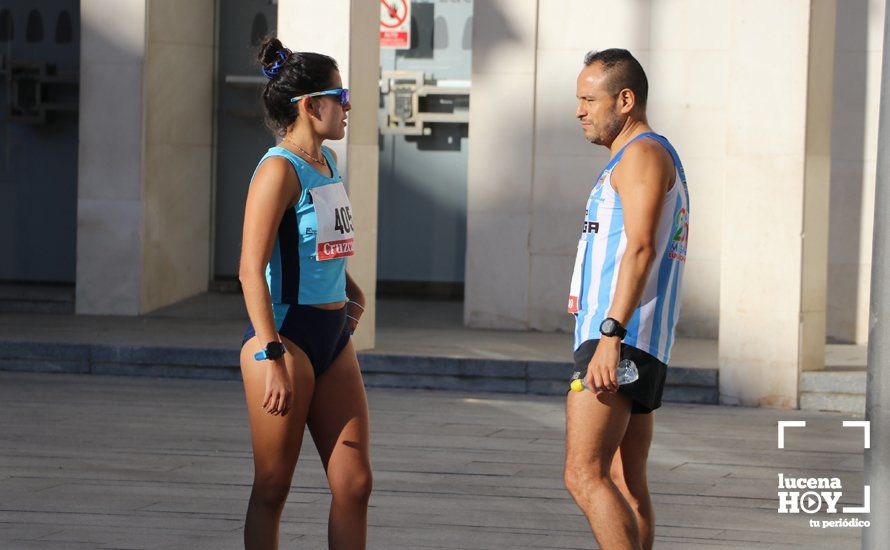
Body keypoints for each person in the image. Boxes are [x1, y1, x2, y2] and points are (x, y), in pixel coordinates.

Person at [238, 37, 372, 550]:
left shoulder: (328, 162)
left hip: (333, 336)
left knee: (355, 484)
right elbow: (250, 269)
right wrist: (270, 354)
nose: (348, 105)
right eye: (341, 95)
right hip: (285, 338)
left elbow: (323, 243)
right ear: (310, 105)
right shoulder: (278, 169)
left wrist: (350, 287)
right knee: (273, 489)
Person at [564, 49, 690, 550]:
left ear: (625, 99)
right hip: (635, 340)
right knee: (622, 478)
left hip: (619, 338)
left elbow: (641, 247)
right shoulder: (641, 155)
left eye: (588, 99)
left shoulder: (642, 155)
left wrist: (610, 336)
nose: (579, 111)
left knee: (583, 473)